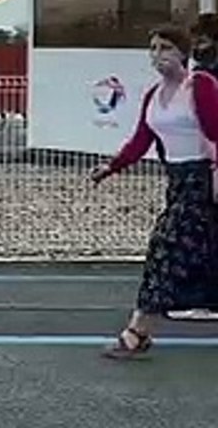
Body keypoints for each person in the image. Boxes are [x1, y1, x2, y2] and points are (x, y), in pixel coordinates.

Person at [89, 23, 218, 359]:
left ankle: (137, 332)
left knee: (164, 246)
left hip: (203, 179)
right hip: (177, 180)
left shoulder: (199, 85)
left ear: (183, 53)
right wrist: (111, 166)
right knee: (203, 254)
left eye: (166, 48)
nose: (158, 55)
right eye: (154, 49)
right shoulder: (154, 95)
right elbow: (141, 139)